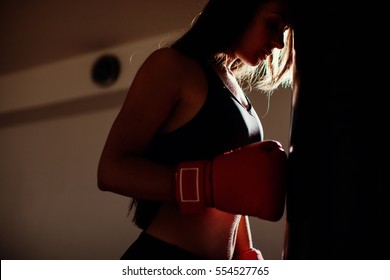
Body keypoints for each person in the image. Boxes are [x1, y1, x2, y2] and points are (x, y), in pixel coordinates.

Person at [97, 0, 294, 260]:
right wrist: (205, 184)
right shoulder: (172, 66)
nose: (279, 42)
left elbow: (235, 189)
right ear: (238, 9)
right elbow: (111, 171)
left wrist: (245, 254)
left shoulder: (231, 83)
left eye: (284, 29)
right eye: (272, 23)